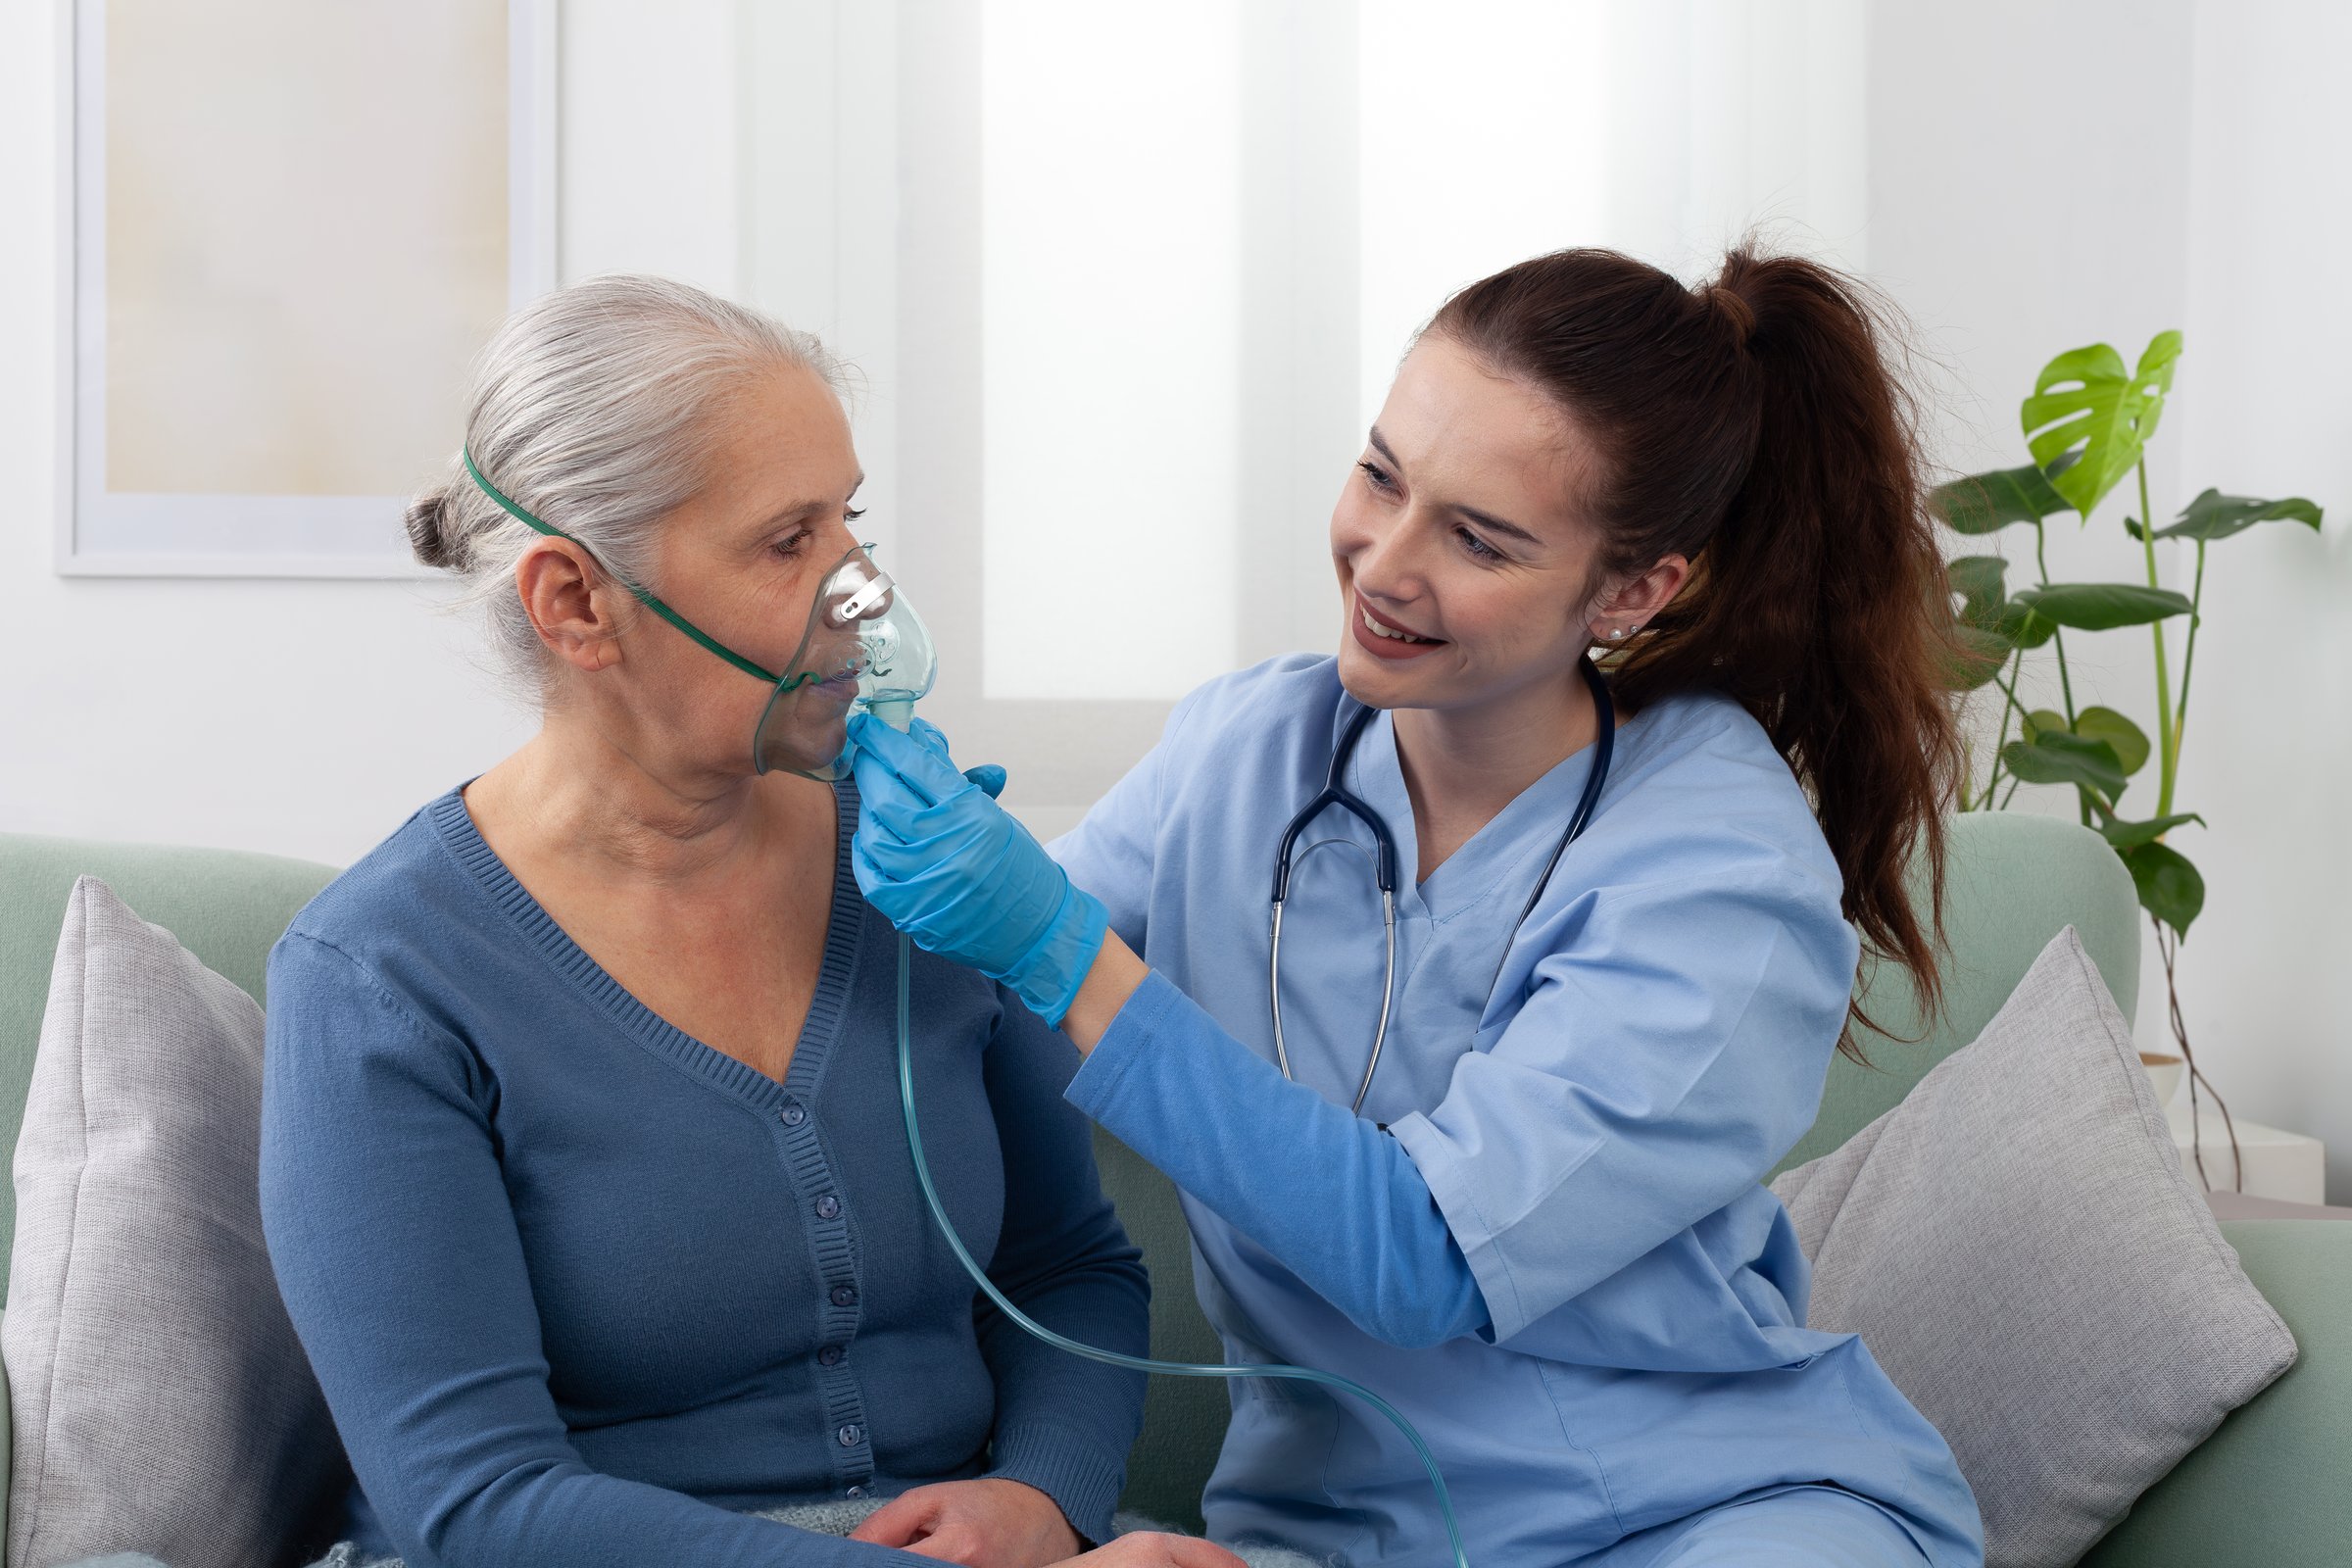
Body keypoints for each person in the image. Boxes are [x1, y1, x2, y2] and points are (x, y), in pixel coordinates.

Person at [847, 247, 1989, 1567]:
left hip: (1700, 1519)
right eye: (1383, 476)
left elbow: (1425, 1261)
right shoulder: (1250, 749)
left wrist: (1053, 941)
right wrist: (857, 815)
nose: (1383, 563)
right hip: (1329, 1537)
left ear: (1631, 591)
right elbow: (955, 1004)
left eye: (1477, 538)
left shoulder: (1722, 873)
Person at [260, 276, 1241, 1568]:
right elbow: (477, 1505)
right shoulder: (381, 979)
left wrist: (1047, 1499)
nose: (867, 593)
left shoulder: (916, 876)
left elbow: (1072, 1266)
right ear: (574, 605)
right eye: (790, 542)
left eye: (853, 523)